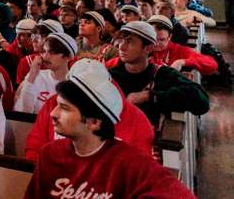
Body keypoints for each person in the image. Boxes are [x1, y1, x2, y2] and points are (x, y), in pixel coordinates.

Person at [24, 60, 193, 198]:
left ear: (94, 122)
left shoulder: (130, 162)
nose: (53, 113)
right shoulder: (50, 154)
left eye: (65, 108)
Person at [24, 59, 155, 162]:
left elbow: (139, 171)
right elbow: (35, 146)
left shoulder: (138, 122)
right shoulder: (52, 104)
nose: (54, 113)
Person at [108, 21, 210, 126]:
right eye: (121, 41)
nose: (121, 47)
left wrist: (150, 96)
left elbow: (202, 101)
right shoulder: (110, 76)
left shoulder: (162, 74)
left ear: (149, 47)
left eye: (129, 42)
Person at [14, 33, 76, 113]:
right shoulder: (35, 76)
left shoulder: (75, 83)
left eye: (52, 52)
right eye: (44, 51)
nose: (46, 56)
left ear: (68, 57)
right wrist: (31, 76)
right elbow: (22, 113)